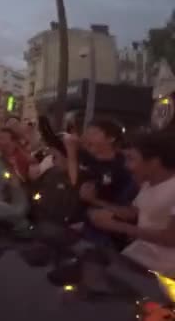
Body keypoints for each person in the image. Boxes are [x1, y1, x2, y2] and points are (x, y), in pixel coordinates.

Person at [89, 132, 175, 277]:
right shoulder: (148, 183)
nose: (127, 165)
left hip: (162, 272)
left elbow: (170, 238)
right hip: (136, 257)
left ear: (154, 162)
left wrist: (115, 225)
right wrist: (96, 203)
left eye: (131, 159)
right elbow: (133, 212)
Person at [63, 118, 137, 247]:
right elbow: (74, 183)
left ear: (111, 138)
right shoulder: (84, 156)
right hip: (77, 224)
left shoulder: (123, 166)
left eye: (94, 133)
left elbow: (75, 183)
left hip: (104, 233)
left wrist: (71, 153)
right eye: (87, 133)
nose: (87, 137)